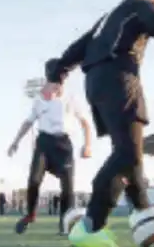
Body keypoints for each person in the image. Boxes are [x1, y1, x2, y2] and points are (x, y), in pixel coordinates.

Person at [43, 0, 154, 247]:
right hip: (119, 78)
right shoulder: (140, 6)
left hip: (96, 83)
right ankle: (91, 226)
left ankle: (142, 209)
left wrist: (57, 74)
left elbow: (79, 47)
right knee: (128, 153)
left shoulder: (109, 18)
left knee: (127, 152)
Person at [7, 83, 93, 235]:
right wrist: (16, 141)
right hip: (44, 143)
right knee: (34, 180)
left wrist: (87, 145)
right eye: (52, 84)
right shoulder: (39, 101)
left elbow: (85, 122)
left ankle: (64, 223)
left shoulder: (71, 99)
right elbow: (28, 122)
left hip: (63, 146)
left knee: (68, 187)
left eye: (59, 84)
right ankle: (30, 215)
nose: (56, 88)